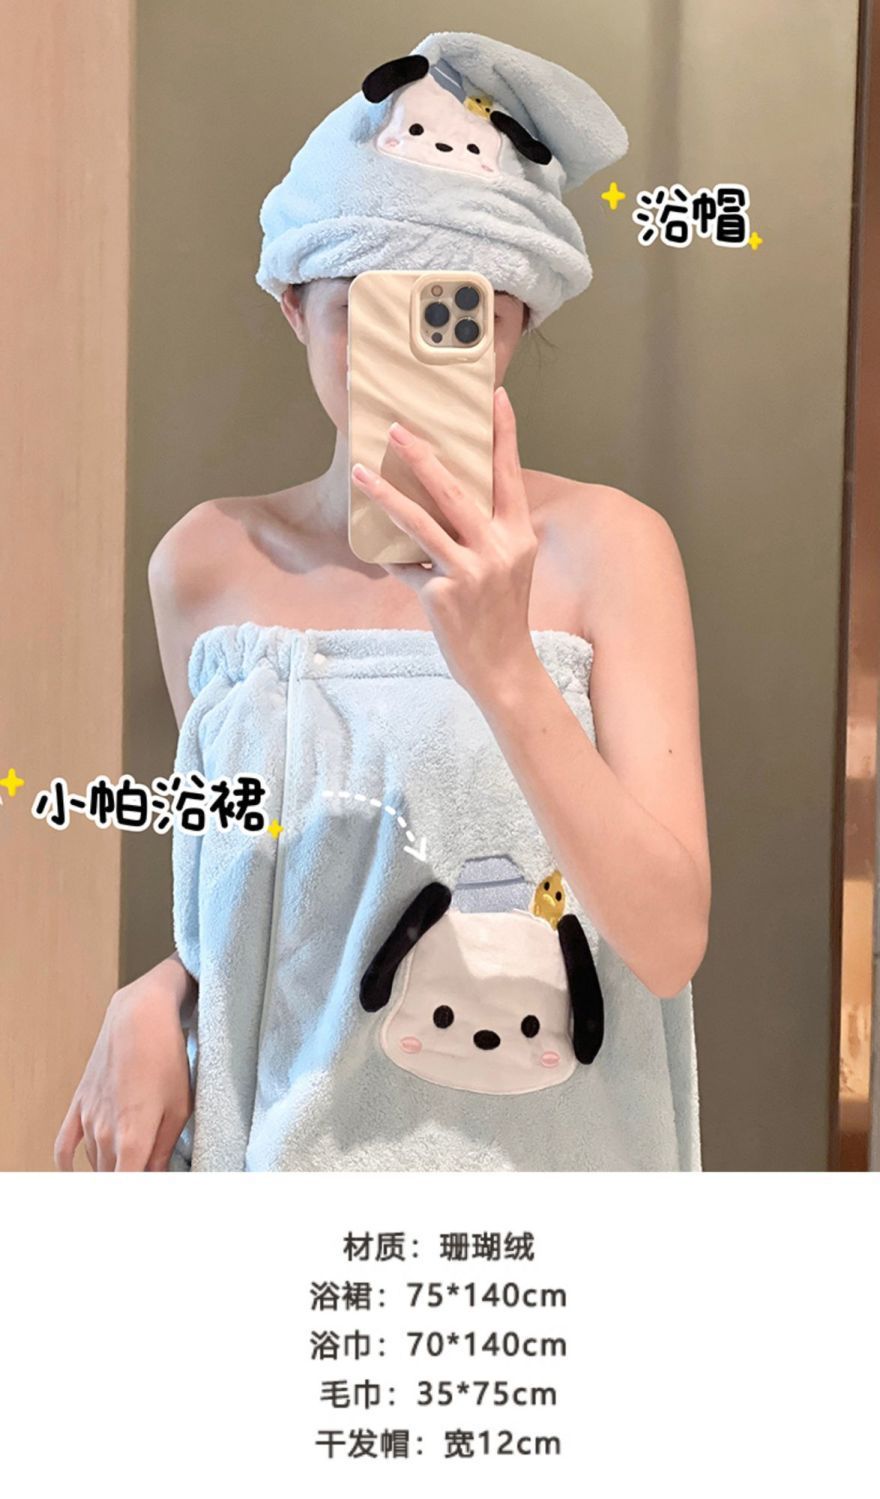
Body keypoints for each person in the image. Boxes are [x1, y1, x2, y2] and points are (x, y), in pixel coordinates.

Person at [55, 31, 710, 1173]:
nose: (410, 356)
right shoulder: (205, 568)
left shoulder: (611, 551)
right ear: (292, 305)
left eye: (459, 315)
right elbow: (278, 894)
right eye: (365, 307)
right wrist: (164, 990)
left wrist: (504, 668)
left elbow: (665, 941)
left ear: (518, 322)